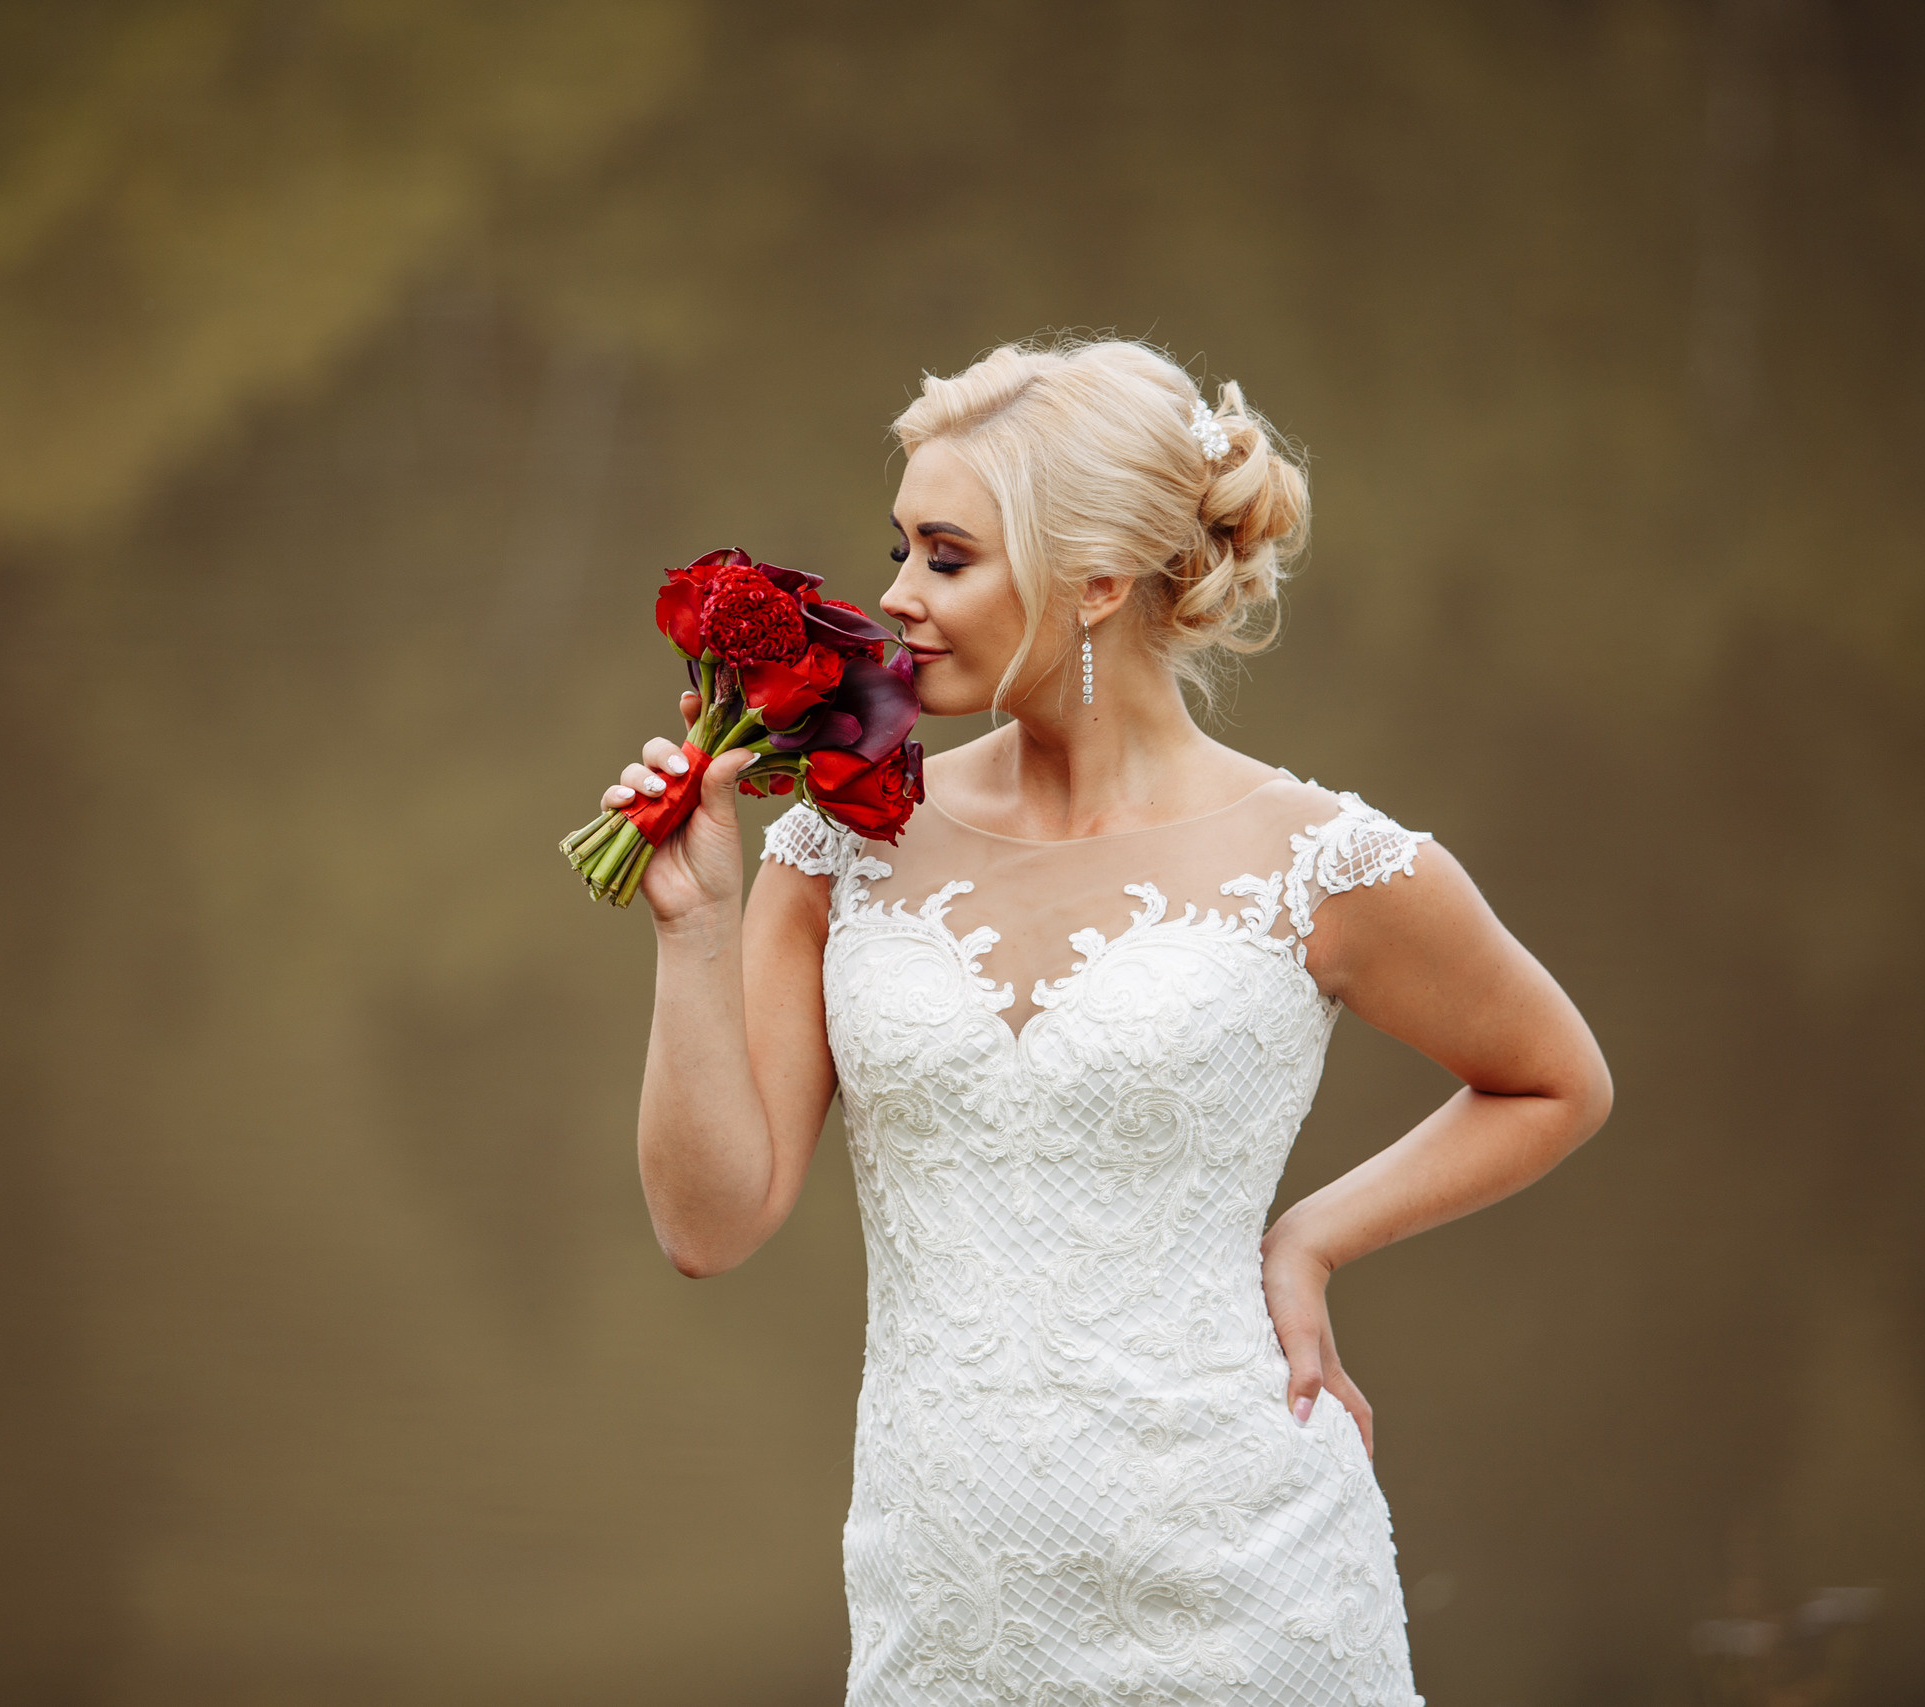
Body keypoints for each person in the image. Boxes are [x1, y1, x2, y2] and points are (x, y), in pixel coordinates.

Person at [596, 339, 1611, 1705]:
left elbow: (1554, 1082)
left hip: (1249, 1585)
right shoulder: (837, 849)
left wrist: (1310, 1238)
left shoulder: (1320, 859)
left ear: (1096, 580)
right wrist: (695, 928)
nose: (895, 599)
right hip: (946, 1605)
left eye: (946, 558)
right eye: (899, 548)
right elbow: (706, 1230)